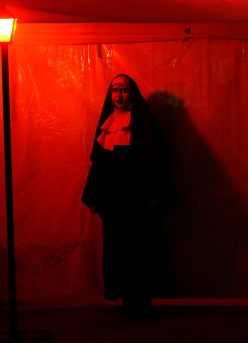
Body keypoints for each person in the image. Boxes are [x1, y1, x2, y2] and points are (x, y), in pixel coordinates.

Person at [82, 73, 176, 321]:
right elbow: (99, 163)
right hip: (113, 203)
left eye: (123, 90)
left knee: (140, 250)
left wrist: (155, 193)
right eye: (115, 90)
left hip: (137, 201)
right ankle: (125, 299)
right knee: (117, 251)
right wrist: (94, 195)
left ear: (131, 93)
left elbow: (154, 161)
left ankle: (141, 301)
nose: (119, 95)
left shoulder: (142, 125)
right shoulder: (108, 124)